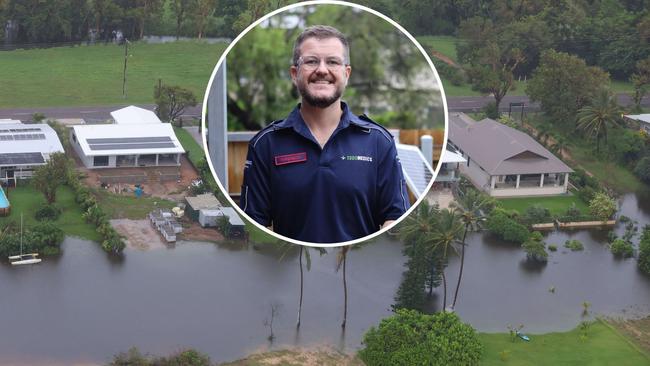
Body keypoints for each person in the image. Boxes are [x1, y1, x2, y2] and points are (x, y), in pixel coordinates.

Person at [240, 25, 409, 244]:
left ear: (346, 73)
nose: (322, 70)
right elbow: (253, 226)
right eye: (311, 61)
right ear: (295, 73)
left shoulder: (378, 142)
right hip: (292, 274)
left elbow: (397, 218)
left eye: (332, 61)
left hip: (360, 273)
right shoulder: (266, 144)